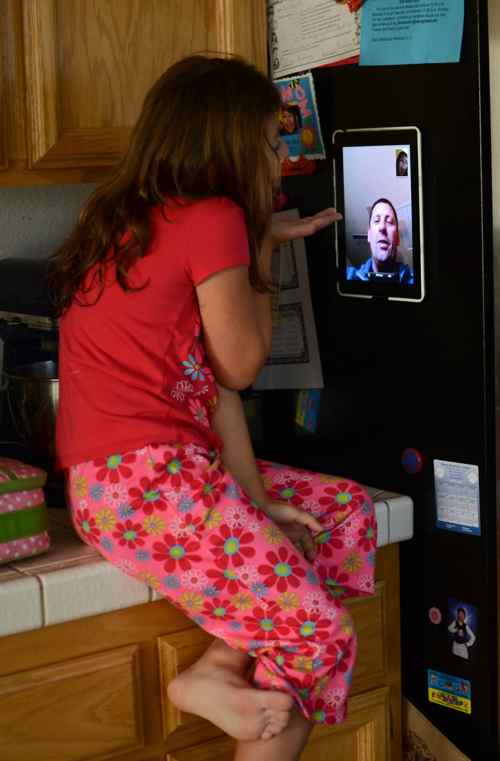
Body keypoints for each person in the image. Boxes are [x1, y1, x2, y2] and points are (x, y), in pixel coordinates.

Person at [50, 55, 377, 761]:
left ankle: (223, 668)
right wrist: (262, 245)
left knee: (343, 514)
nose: (278, 156)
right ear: (226, 141)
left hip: (129, 485)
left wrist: (255, 495)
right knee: (320, 635)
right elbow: (242, 362)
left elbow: (213, 385)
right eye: (268, 140)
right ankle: (215, 679)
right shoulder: (218, 218)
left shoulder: (125, 218)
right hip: (149, 485)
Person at [346, 197, 414, 285]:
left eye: (389, 221)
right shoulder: (349, 277)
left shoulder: (414, 282)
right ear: (369, 235)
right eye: (376, 220)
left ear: (397, 239)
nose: (382, 227)